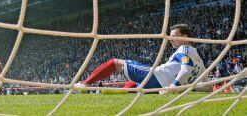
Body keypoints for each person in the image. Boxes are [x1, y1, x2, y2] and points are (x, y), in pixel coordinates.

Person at [76, 24, 206, 93]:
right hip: (161, 86)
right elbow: (204, 79)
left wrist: (174, 87)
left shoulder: (184, 49)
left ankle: (85, 83)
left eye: (173, 35)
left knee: (115, 63)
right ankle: (121, 92)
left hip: (156, 77)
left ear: (185, 36)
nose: (170, 38)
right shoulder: (198, 58)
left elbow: (186, 69)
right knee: (136, 86)